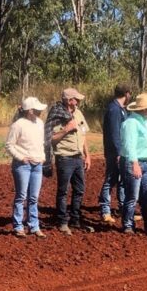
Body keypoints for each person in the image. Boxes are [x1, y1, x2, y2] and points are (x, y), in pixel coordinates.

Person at [46, 87, 92, 235]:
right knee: (63, 191)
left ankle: (75, 219)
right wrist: (66, 129)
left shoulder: (78, 113)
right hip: (64, 157)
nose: (78, 101)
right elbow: (51, 139)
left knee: (79, 190)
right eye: (76, 99)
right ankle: (62, 221)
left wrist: (87, 155)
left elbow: (83, 135)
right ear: (69, 100)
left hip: (78, 157)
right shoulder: (57, 115)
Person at [120, 93, 147, 235]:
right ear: (142, 109)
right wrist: (134, 163)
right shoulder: (131, 123)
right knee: (132, 196)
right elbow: (129, 146)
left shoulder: (146, 121)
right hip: (135, 162)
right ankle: (127, 224)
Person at [6, 96, 48, 238]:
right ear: (30, 110)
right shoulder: (18, 124)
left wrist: (42, 157)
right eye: (37, 109)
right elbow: (9, 145)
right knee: (21, 196)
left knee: (34, 197)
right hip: (23, 165)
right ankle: (18, 226)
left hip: (37, 164)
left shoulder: (40, 123)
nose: (40, 112)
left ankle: (34, 225)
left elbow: (41, 143)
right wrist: (21, 157)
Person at [99, 84, 130, 224]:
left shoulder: (120, 109)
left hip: (121, 151)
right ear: (127, 94)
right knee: (110, 180)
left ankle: (123, 209)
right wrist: (118, 152)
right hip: (114, 152)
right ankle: (105, 210)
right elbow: (114, 133)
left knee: (122, 181)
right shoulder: (114, 110)